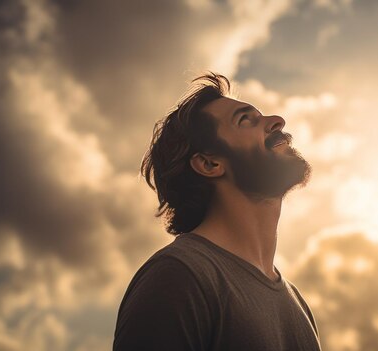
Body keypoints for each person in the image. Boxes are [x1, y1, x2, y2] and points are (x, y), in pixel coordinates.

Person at [113, 72, 321, 350]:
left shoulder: (296, 302)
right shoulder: (178, 278)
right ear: (209, 164)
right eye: (246, 120)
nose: (277, 121)